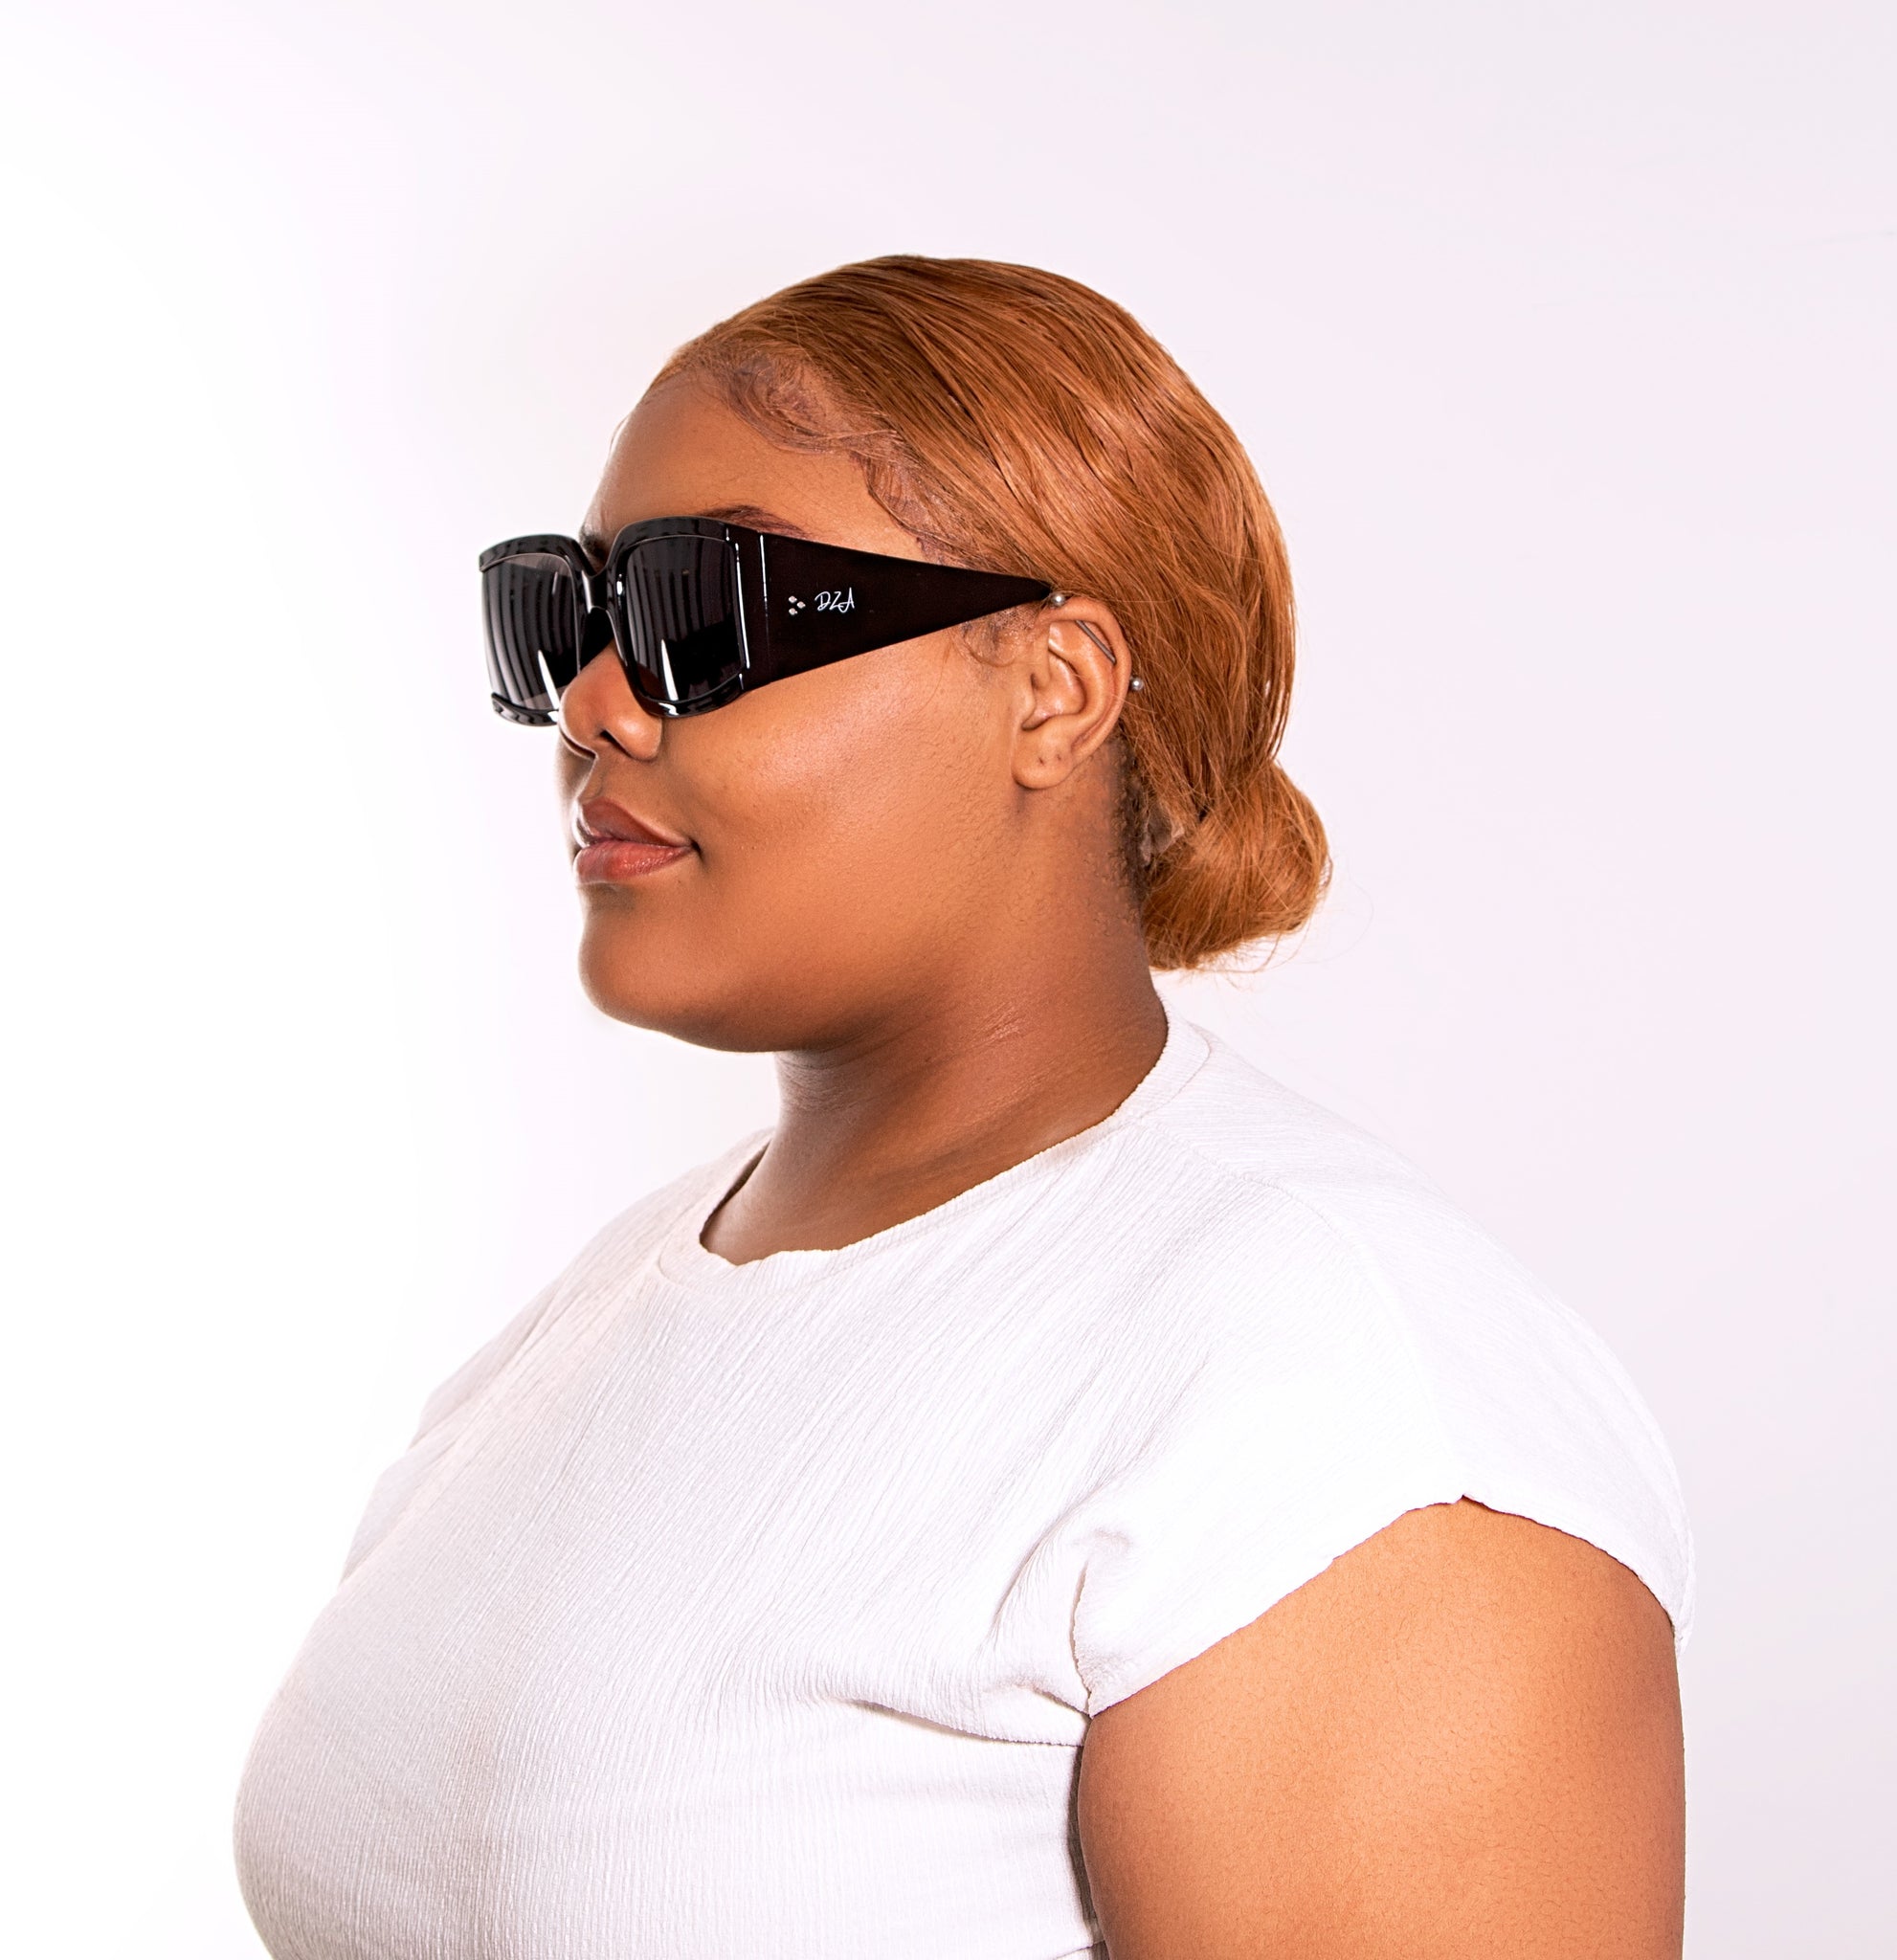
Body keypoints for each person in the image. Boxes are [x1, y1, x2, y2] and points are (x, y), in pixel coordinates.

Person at [235, 256, 1690, 1959]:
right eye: (571, 617)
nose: (595, 704)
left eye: (704, 614)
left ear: (1051, 690)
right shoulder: (607, 1311)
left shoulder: (1345, 1396)